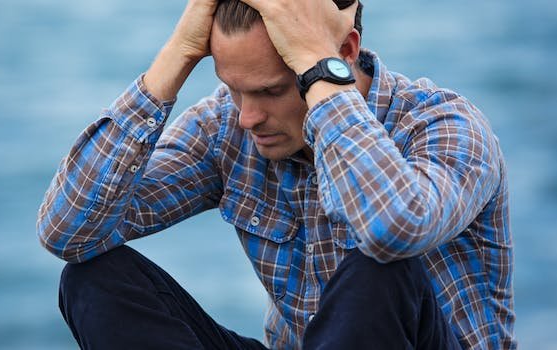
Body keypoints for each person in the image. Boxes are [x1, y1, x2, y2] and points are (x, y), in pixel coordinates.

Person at [36, 0, 516, 348]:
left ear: (343, 54)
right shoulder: (228, 125)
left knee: (380, 266)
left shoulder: (444, 126)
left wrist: (316, 69)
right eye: (234, 89)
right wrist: (178, 53)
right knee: (92, 279)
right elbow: (68, 232)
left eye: (269, 91)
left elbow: (392, 228)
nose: (247, 116)